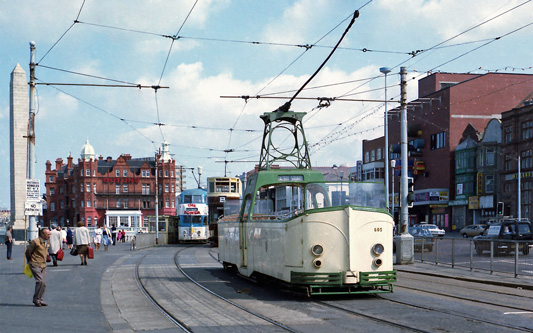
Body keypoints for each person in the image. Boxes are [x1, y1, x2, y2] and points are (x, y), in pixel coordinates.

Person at [25, 228, 51, 307]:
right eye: (47, 234)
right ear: (42, 234)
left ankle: (40, 299)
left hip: (43, 264)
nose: (49, 236)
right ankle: (36, 300)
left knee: (43, 284)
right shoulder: (35, 242)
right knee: (40, 281)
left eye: (49, 234)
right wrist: (30, 261)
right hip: (35, 263)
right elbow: (28, 252)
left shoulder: (47, 242)